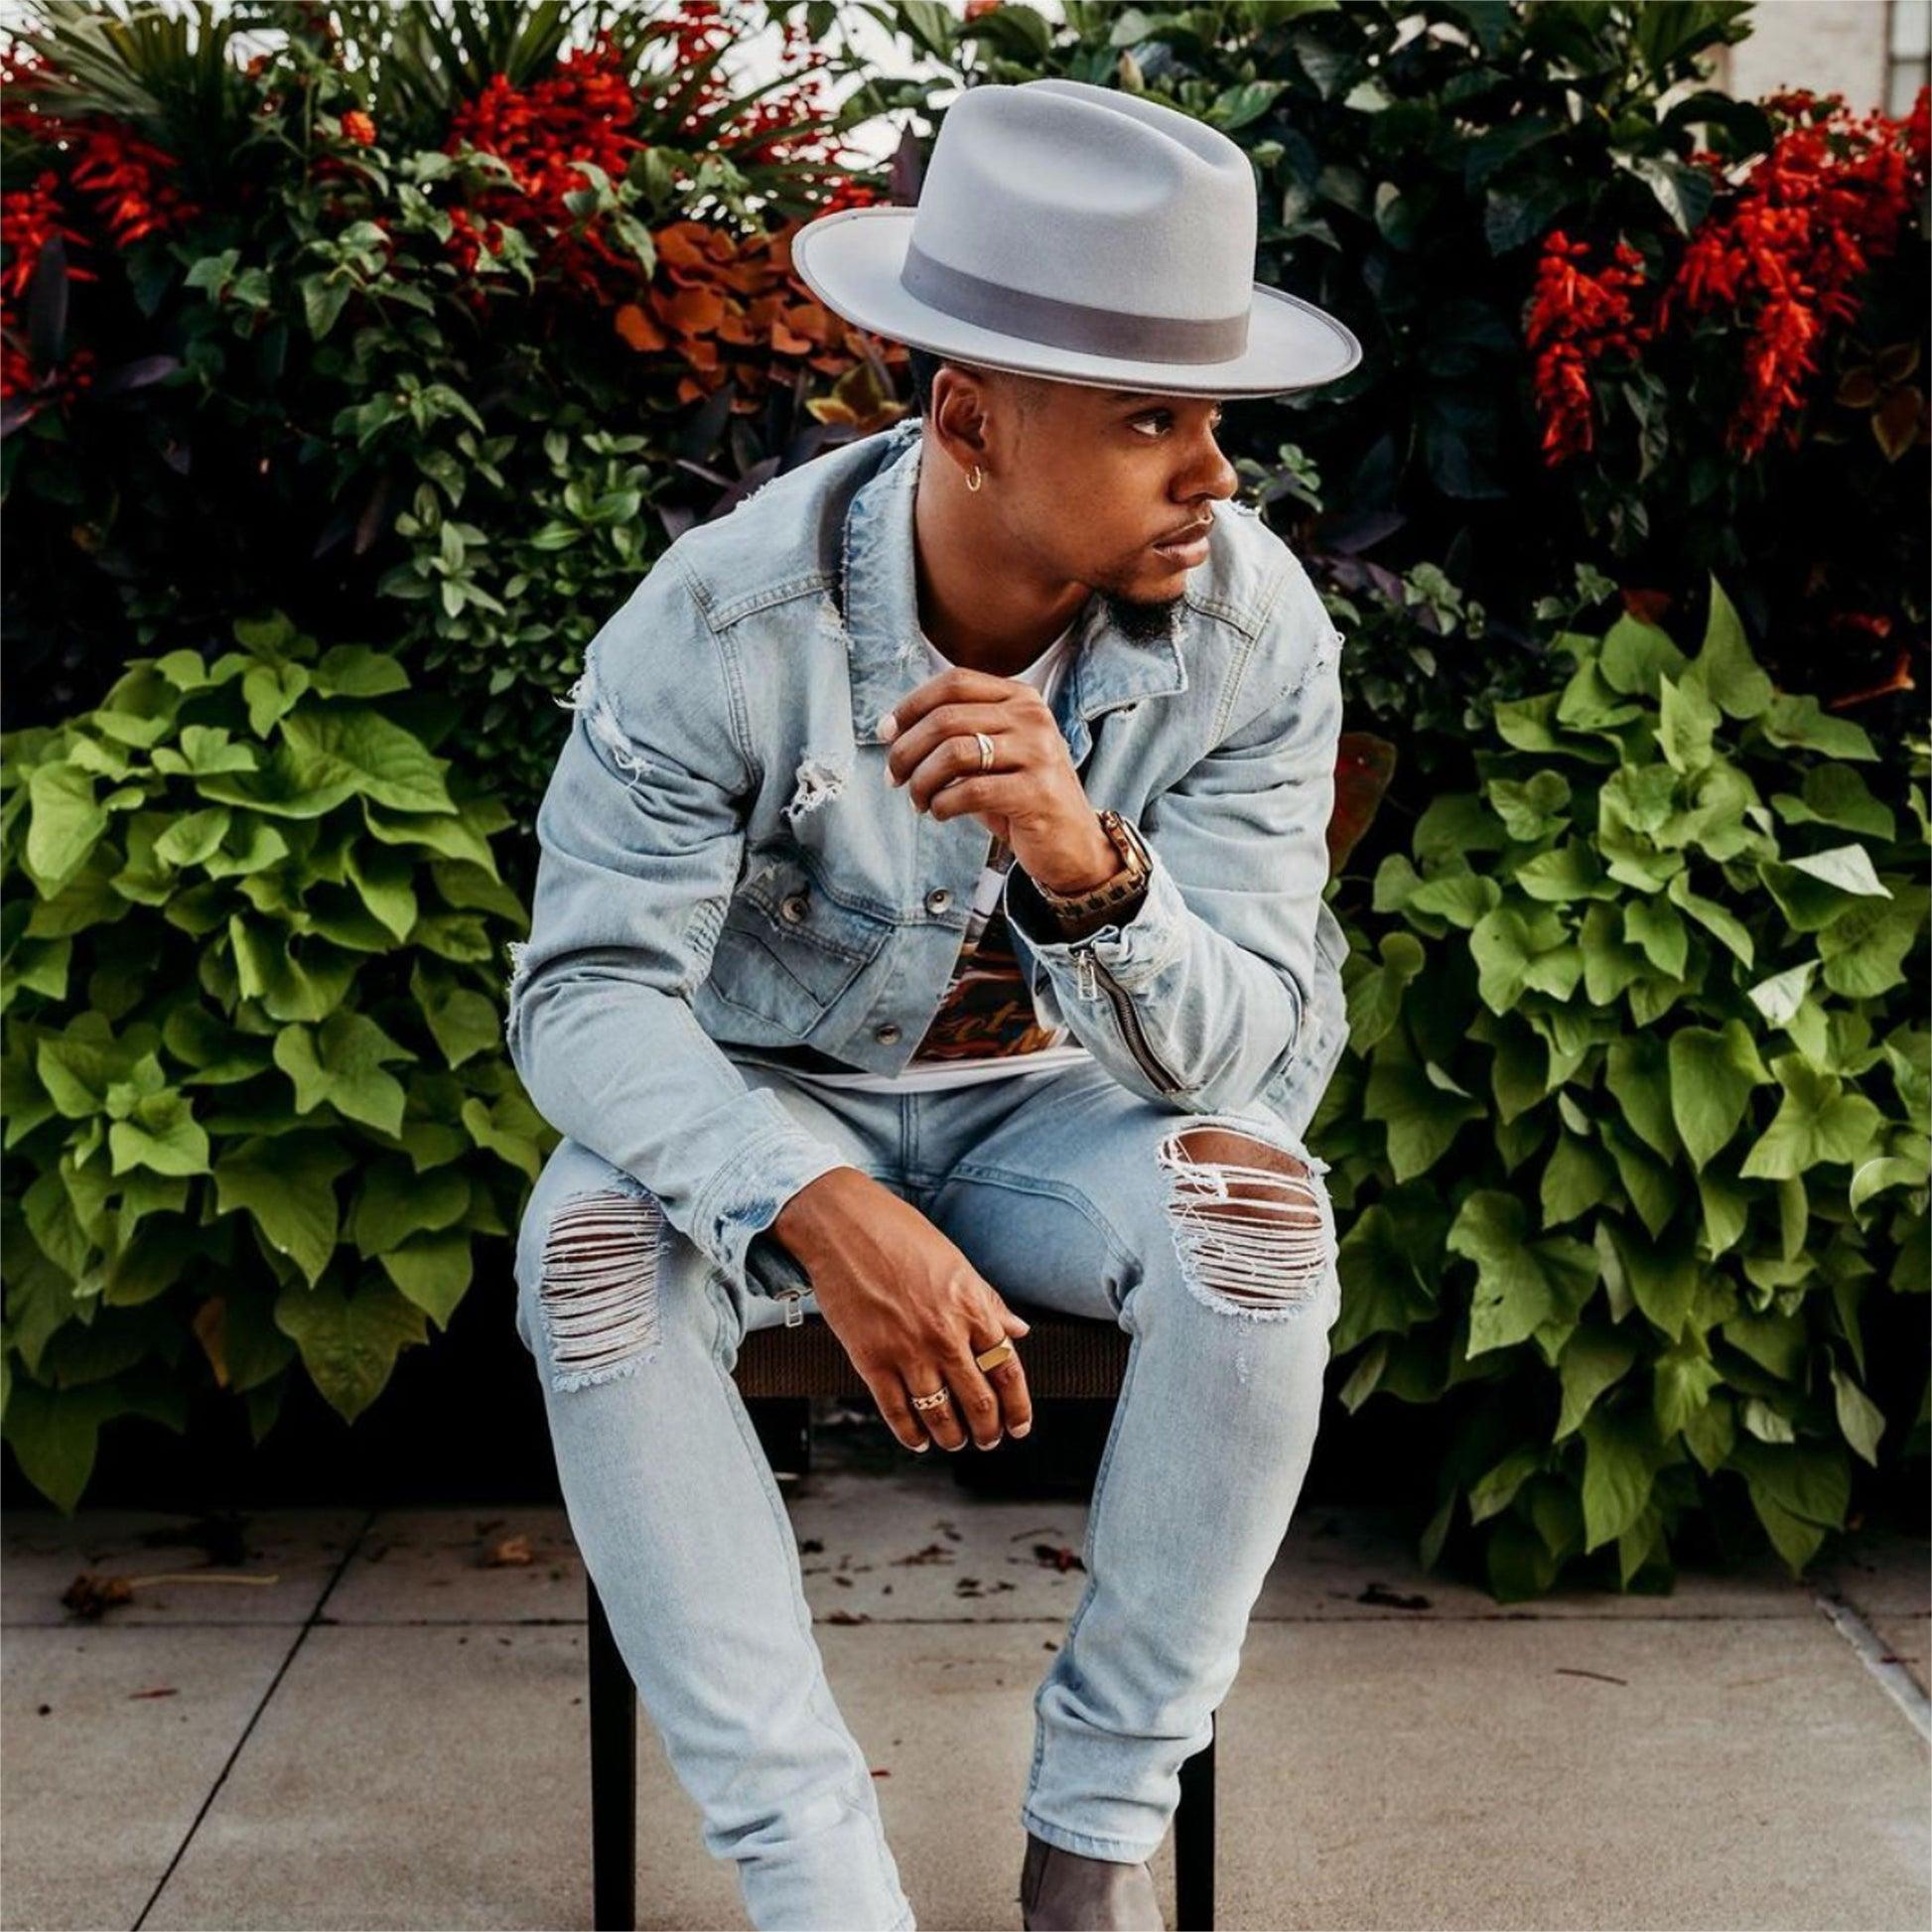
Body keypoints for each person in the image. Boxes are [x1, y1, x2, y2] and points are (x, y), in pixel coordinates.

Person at [505, 76, 1361, 1932]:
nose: (1212, 474)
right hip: (767, 1097)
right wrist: (813, 1200)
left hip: (1067, 1110)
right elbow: (583, 999)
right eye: (1149, 418)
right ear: (968, 416)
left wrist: (1085, 860)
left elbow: (1239, 1055)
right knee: (589, 1264)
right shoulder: (719, 627)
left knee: (1259, 1228)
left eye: (1213, 415)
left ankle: (1090, 1846)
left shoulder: (1250, 630)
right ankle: (820, 1884)